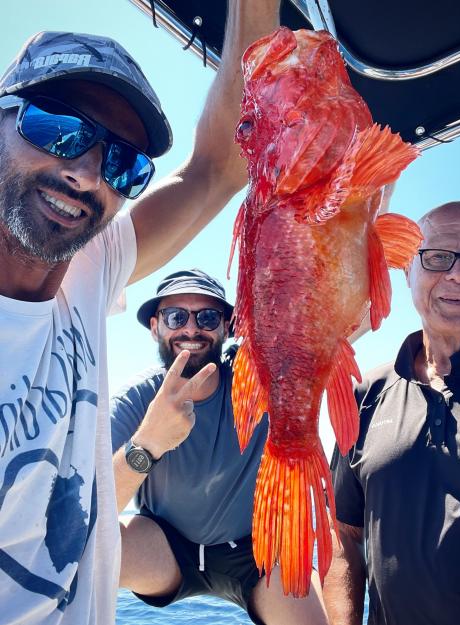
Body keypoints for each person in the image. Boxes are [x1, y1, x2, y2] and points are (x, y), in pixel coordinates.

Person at [0, 3, 281, 623]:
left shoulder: (87, 265)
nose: (84, 172)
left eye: (123, 161)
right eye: (56, 127)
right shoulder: (134, 387)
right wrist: (150, 444)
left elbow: (218, 168)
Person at [110, 269, 331, 625]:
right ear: (155, 327)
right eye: (176, 316)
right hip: (167, 545)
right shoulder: (136, 399)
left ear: (228, 327)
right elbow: (88, 512)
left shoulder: (262, 378)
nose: (192, 329)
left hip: (256, 551)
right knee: (80, 555)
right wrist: (148, 442)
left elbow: (336, 321)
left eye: (208, 317)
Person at [323, 201, 460, 625]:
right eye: (437, 258)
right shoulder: (367, 393)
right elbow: (344, 533)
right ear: (407, 271)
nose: (459, 274)